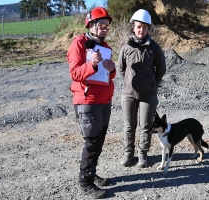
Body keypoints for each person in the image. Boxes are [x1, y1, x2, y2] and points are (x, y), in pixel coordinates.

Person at [66, 7, 116, 199]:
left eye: (107, 26)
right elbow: (75, 74)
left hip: (104, 100)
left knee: (99, 140)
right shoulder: (78, 43)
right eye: (101, 25)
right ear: (91, 25)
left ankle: (91, 173)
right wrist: (91, 64)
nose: (104, 29)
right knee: (92, 142)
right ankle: (85, 182)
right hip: (88, 101)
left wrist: (112, 69)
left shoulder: (106, 48)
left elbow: (109, 76)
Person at [117, 9, 166, 168]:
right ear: (133, 27)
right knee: (129, 126)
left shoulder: (154, 48)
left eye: (144, 27)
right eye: (138, 27)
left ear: (148, 29)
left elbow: (161, 69)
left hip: (148, 95)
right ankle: (128, 154)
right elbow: (121, 69)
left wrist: (152, 84)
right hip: (128, 95)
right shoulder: (126, 48)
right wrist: (128, 82)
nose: (141, 30)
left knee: (145, 126)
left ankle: (142, 155)